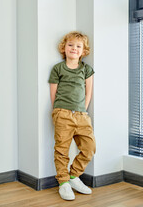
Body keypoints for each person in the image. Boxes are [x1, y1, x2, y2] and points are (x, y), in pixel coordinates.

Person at [48, 31, 96, 200]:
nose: (74, 48)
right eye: (70, 45)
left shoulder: (86, 69)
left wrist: (83, 110)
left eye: (78, 46)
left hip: (82, 114)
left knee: (90, 147)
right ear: (64, 48)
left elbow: (88, 92)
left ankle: (74, 176)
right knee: (62, 150)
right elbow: (53, 93)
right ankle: (63, 183)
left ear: (83, 51)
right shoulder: (58, 68)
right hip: (63, 113)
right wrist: (58, 111)